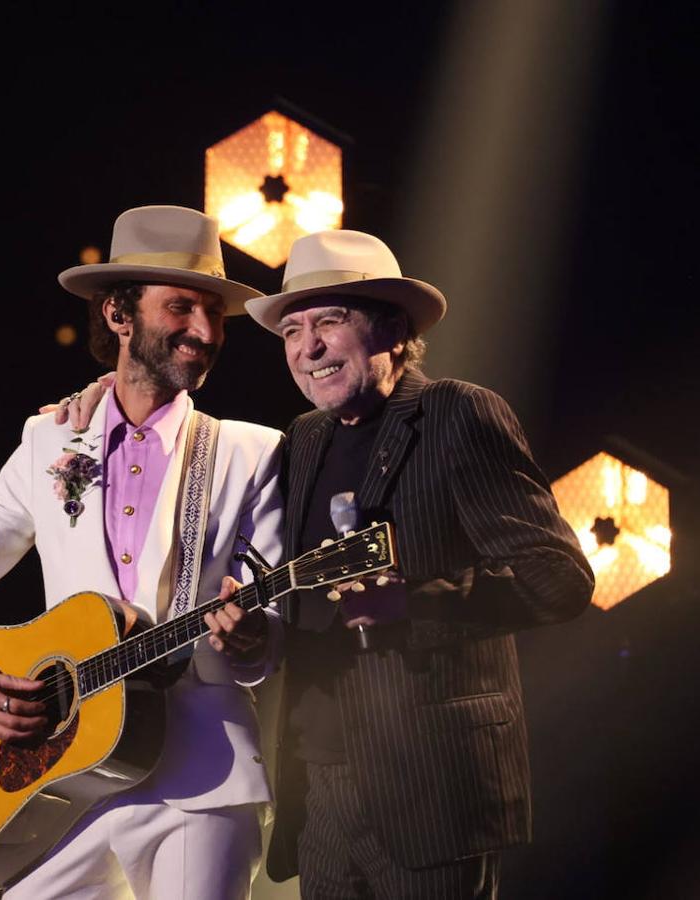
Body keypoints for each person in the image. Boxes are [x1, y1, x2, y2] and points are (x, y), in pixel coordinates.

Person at [58, 229, 594, 898]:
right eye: (291, 331)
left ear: (392, 328)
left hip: (431, 789)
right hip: (318, 793)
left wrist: (417, 604)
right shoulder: (303, 439)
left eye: (330, 322)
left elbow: (562, 580)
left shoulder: (458, 413)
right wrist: (97, 402)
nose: (307, 347)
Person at [0, 205, 287, 899]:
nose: (203, 332)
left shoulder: (250, 452)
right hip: (67, 780)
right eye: (182, 308)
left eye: (214, 314)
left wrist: (252, 639)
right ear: (118, 315)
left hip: (203, 781)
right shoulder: (50, 441)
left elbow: (281, 630)